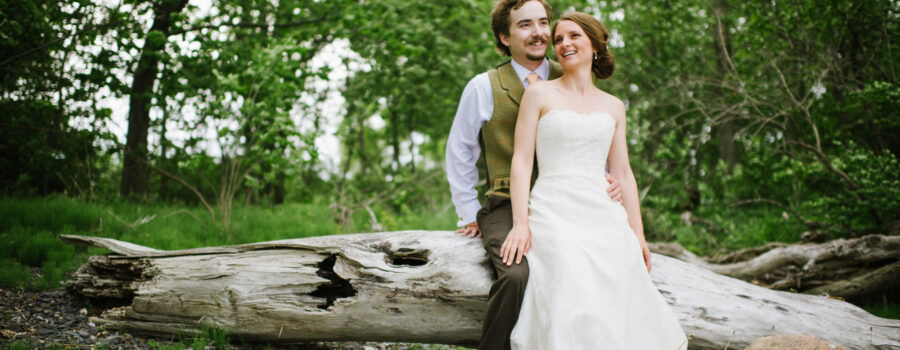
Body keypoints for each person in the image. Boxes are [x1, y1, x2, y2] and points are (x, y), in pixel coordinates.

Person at [502, 12, 689, 349]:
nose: (563, 44)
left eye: (573, 36)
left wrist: (639, 235)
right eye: (558, 39)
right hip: (553, 209)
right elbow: (521, 161)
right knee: (569, 278)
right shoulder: (539, 95)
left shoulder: (614, 106)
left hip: (602, 210)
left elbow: (623, 173)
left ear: (595, 45)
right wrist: (520, 224)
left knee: (622, 272)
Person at [445, 1, 624, 349]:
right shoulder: (484, 86)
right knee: (515, 275)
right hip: (507, 203)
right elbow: (459, 152)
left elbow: (592, 129)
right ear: (504, 36)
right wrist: (468, 212)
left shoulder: (571, 69)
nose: (539, 32)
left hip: (571, 203)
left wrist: (606, 177)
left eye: (543, 22)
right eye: (525, 25)